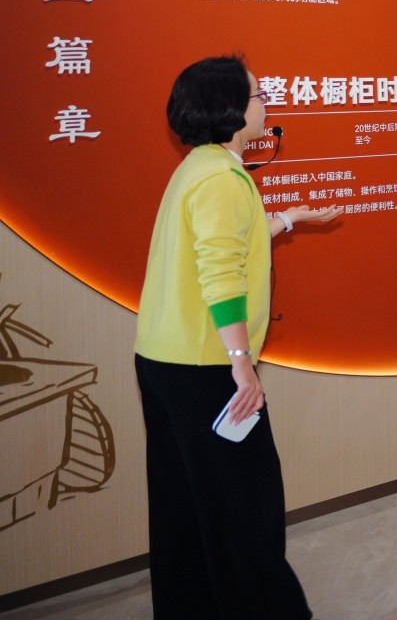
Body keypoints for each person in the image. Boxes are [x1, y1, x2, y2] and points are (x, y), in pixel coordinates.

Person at [133, 57, 320, 619]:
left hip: (166, 359)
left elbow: (231, 242)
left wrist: (289, 218)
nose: (266, 103)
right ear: (231, 109)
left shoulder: (201, 167)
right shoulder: (222, 178)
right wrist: (241, 363)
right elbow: (221, 274)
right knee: (244, 505)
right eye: (258, 95)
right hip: (207, 367)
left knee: (186, 505)